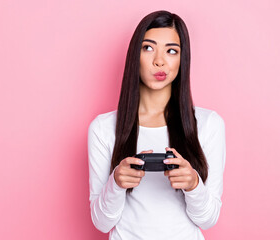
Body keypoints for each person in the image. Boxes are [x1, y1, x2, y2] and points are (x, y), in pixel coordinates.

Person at [88, 10, 226, 240]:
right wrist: (116, 183)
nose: (159, 60)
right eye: (148, 48)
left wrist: (193, 185)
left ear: (182, 60)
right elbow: (102, 223)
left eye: (171, 51)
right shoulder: (103, 128)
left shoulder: (208, 124)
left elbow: (208, 219)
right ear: (135, 55)